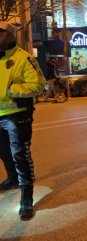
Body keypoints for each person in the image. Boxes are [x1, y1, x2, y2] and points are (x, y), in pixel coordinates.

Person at [0, 22, 46, 219]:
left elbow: (39, 85)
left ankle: (26, 197)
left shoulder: (24, 58)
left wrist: (12, 91)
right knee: (3, 151)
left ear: (10, 37)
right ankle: (12, 179)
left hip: (17, 114)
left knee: (20, 154)